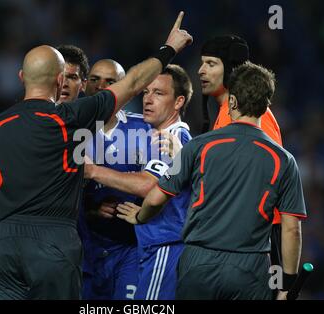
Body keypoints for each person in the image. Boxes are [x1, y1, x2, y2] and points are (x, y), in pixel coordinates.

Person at [0, 12, 193, 300]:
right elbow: (131, 83)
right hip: (54, 241)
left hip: (4, 246)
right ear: (59, 81)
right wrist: (168, 49)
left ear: (21, 77)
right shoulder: (70, 117)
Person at [117, 62, 307, 300]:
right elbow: (291, 230)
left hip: (199, 263)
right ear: (266, 104)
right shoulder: (283, 160)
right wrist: (287, 284)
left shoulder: (199, 146)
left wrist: (139, 216)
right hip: (250, 269)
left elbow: (156, 198)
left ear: (233, 102)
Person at [84, 64, 193, 299]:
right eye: (146, 92)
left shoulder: (172, 138)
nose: (148, 99)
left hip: (165, 243)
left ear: (178, 102)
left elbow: (148, 185)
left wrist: (91, 170)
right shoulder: (156, 136)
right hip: (155, 245)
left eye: (159, 93)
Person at [0, 45, 90, 269]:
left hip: (80, 247)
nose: (65, 83)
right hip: (25, 242)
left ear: (83, 84)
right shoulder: (19, 125)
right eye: (62, 76)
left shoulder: (95, 128)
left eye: (73, 77)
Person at [198, 35, 284, 283]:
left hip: (257, 239)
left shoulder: (254, 115)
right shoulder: (226, 112)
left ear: (232, 69)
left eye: (211, 63)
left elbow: (263, 178)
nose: (201, 70)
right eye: (202, 62)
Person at [80, 59, 150, 300]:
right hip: (85, 250)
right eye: (95, 79)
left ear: (125, 89)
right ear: (84, 84)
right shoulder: (68, 129)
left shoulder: (144, 128)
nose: (101, 86)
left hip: (130, 248)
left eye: (111, 81)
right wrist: (91, 210)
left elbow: (157, 185)